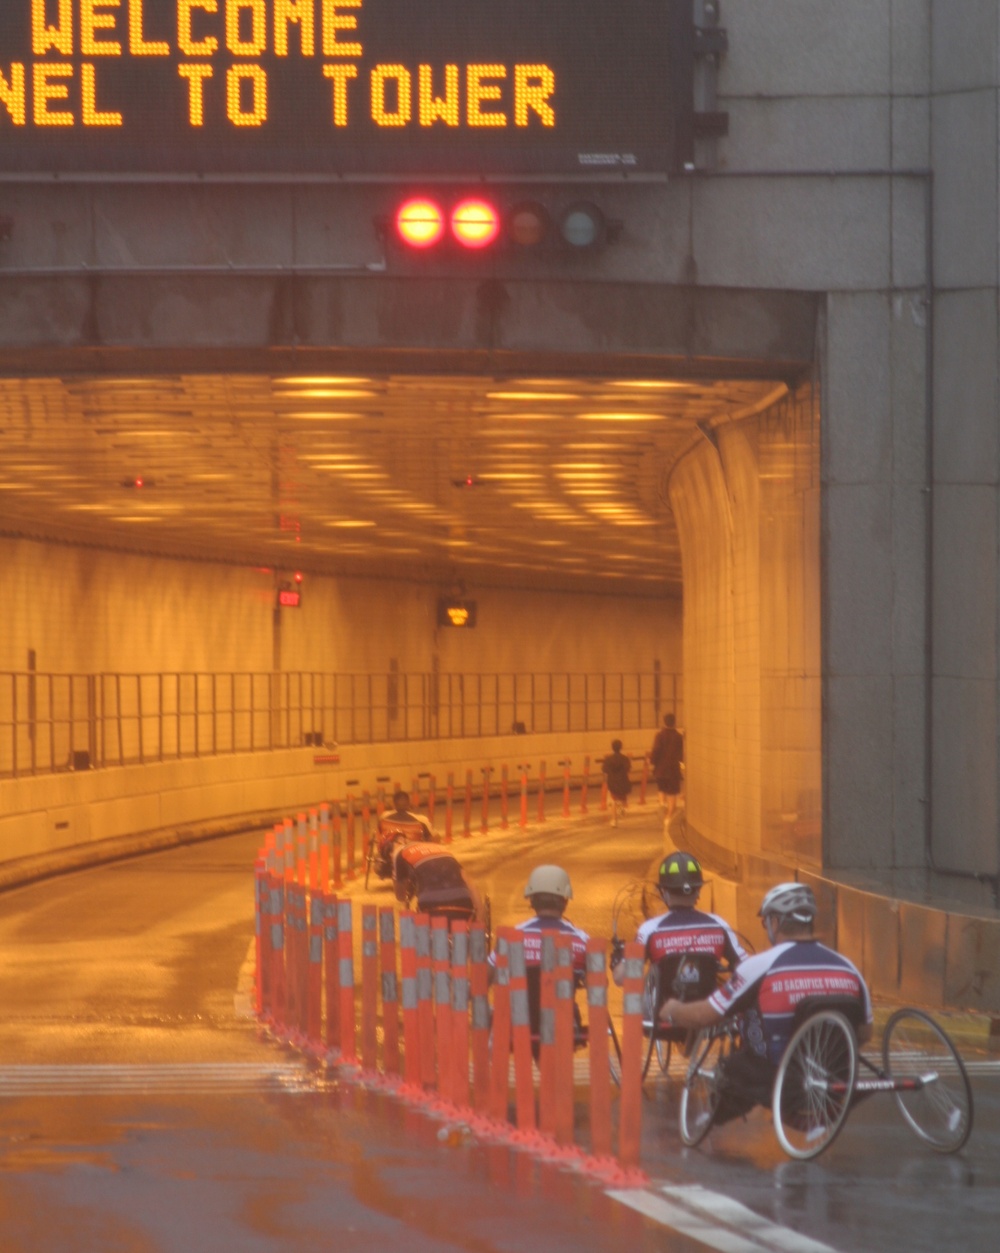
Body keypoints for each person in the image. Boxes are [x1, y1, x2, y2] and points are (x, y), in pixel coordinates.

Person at [657, 882, 873, 1124]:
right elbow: (864, 1032)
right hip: (833, 1077)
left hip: (774, 1077)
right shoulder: (848, 967)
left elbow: (706, 1016)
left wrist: (674, 1010)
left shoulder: (761, 966)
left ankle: (718, 1114)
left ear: (774, 922)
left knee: (735, 1065)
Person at [610, 851, 746, 1002]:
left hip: (665, 1019)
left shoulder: (650, 930)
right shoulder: (719, 925)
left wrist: (618, 958)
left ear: (663, 891)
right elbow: (746, 966)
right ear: (698, 890)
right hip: (709, 1017)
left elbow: (621, 978)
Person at [391, 841, 482, 924]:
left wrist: (411, 887)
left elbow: (400, 896)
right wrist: (480, 921)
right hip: (463, 903)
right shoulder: (440, 848)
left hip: (431, 906)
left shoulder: (398, 852)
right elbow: (470, 883)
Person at [648, 713, 684, 820]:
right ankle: (668, 818)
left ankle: (662, 805)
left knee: (661, 790)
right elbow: (682, 754)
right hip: (673, 770)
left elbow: (656, 750)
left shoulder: (659, 735)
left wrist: (652, 762)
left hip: (660, 770)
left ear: (664, 722)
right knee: (672, 795)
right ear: (674, 722)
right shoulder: (679, 737)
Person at [601, 739, 632, 826]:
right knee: (622, 798)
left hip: (612, 782)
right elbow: (628, 770)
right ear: (621, 747)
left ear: (612, 748)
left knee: (613, 800)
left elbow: (604, 770)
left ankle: (614, 820)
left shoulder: (608, 759)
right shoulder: (625, 759)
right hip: (623, 781)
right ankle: (621, 807)